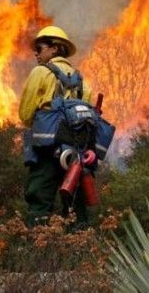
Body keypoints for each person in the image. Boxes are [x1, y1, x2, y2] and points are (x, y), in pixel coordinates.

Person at [19, 25, 92, 228]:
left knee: (39, 206)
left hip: (45, 154)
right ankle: (77, 253)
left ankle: (38, 253)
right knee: (76, 209)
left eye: (40, 48)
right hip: (75, 157)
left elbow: (25, 114)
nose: (36, 53)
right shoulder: (82, 82)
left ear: (55, 49)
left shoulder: (40, 73)